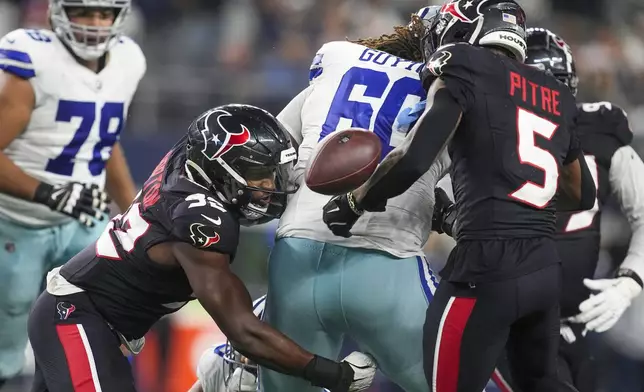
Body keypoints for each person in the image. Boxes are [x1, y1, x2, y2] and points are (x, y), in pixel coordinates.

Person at [322, 0, 597, 391]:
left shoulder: (463, 62)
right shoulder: (555, 91)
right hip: (542, 266)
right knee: (543, 384)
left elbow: (415, 159)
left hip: (485, 266)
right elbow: (581, 193)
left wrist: (354, 202)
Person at [27, 104, 376, 392]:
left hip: (86, 315)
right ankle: (214, 375)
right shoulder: (201, 218)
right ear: (223, 169)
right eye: (259, 175)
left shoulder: (190, 162)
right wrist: (335, 375)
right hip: (77, 317)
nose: (270, 186)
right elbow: (243, 331)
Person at [260, 7, 445, 392]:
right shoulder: (458, 92)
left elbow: (274, 147)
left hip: (298, 254)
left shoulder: (339, 60)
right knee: (458, 380)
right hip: (387, 263)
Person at [473, 27, 644, 392]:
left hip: (568, 325)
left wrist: (630, 282)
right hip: (504, 321)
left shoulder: (598, 129)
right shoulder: (479, 125)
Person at [0, 0, 143, 385]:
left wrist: (135, 211)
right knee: (5, 349)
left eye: (103, 13)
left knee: (93, 330)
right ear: (58, 13)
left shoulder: (129, 60)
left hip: (82, 218)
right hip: (13, 222)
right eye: (83, 12)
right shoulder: (33, 59)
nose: (94, 23)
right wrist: (48, 193)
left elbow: (105, 141)